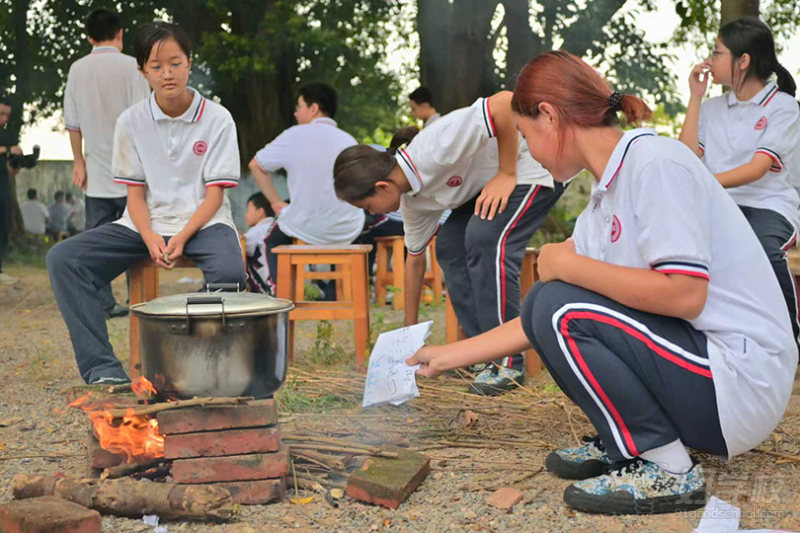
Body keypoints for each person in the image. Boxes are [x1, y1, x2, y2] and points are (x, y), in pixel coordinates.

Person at [406, 51, 798, 515]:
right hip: (702, 369)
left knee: (557, 301)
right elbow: (539, 318)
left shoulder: (655, 162)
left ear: (549, 117)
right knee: (544, 303)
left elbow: (686, 294)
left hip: (740, 382)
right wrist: (446, 357)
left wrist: (565, 266)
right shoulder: (605, 196)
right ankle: (624, 440)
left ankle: (668, 467)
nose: (527, 149)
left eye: (527, 135)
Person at [47, 21, 245, 385]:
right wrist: (150, 234)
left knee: (232, 275)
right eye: (155, 66)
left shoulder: (218, 118)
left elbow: (215, 194)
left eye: (175, 63)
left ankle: (189, 358)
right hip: (142, 224)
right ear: (141, 71)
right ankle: (103, 369)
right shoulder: (131, 121)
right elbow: (134, 194)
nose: (166, 73)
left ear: (189, 63)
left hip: (204, 222)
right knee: (64, 259)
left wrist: (182, 236)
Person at [334, 92, 562, 395]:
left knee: (484, 238)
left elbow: (505, 103)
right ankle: (481, 353)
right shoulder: (412, 204)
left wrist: (506, 174)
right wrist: (407, 338)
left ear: (382, 187)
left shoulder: (433, 148)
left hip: (533, 161)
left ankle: (507, 361)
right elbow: (414, 260)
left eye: (367, 205)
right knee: (449, 246)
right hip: (490, 183)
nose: (371, 214)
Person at [679, 17, 800, 348]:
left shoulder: (784, 108)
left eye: (717, 52)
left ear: (743, 61)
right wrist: (694, 98)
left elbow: (758, 168)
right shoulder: (713, 108)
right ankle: (715, 341)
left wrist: (705, 183)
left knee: (764, 251)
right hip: (721, 205)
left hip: (768, 205)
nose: (710, 59)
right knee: (686, 253)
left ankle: (791, 340)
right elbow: (688, 156)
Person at [64, 8, 151, 316]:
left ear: (89, 37)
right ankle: (138, 299)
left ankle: (104, 303)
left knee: (96, 242)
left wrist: (79, 162)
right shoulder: (133, 67)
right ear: (120, 33)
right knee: (138, 235)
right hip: (133, 173)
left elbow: (72, 124)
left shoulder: (77, 69)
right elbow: (145, 119)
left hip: (97, 175)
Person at [248, 82, 365, 290]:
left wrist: (275, 203)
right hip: (348, 227)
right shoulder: (349, 140)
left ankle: (281, 295)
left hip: (305, 226)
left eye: (299, 107)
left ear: (314, 108)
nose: (295, 113)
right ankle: (331, 290)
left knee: (271, 239)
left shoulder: (294, 135)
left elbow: (256, 165)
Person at [0, 95, 22, 284]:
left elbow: (10, 168)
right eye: (1, 114)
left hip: (3, 184)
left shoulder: (6, 134)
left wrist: (16, 162)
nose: (4, 119)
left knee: (3, 225)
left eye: (7, 115)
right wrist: (7, 151)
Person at [243, 192, 276, 294]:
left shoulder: (258, 231)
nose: (246, 215)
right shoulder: (275, 226)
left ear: (260, 212)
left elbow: (238, 246)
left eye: (248, 210)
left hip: (269, 287)